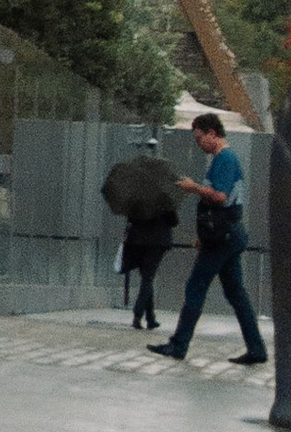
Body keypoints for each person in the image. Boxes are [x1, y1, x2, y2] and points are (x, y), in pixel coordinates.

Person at [150, 110, 267, 367]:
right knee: (236, 293)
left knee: (195, 286)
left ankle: (179, 345)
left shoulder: (224, 158)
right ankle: (257, 349)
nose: (198, 143)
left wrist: (195, 188)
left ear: (213, 134)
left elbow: (220, 197)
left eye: (199, 138)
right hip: (228, 235)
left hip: (223, 238)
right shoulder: (223, 158)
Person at [99, 145, 182, 330]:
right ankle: (138, 314)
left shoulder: (134, 196)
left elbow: (129, 216)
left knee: (146, 277)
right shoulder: (164, 196)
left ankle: (151, 318)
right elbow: (173, 221)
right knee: (148, 278)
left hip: (136, 241)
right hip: (157, 242)